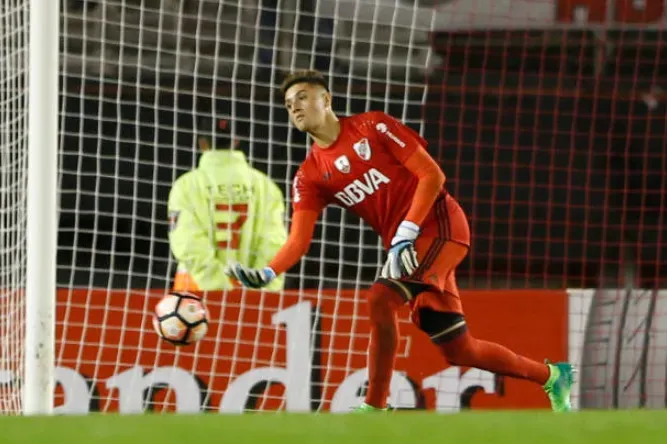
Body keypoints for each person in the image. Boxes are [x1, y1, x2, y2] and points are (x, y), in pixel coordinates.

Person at [226, 70, 574, 412]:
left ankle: (375, 406)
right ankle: (551, 376)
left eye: (302, 97)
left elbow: (432, 175)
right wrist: (269, 272)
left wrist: (406, 231)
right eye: (289, 105)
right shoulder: (310, 175)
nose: (296, 108)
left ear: (326, 99)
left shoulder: (372, 126)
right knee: (458, 350)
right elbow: (299, 240)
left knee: (380, 298)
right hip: (407, 248)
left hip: (440, 225)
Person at [169, 118, 287, 292]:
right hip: (255, 299)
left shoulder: (186, 186)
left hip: (194, 296)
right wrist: (261, 293)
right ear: (236, 141)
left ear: (202, 143)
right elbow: (274, 244)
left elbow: (188, 244)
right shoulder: (265, 186)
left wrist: (220, 289)